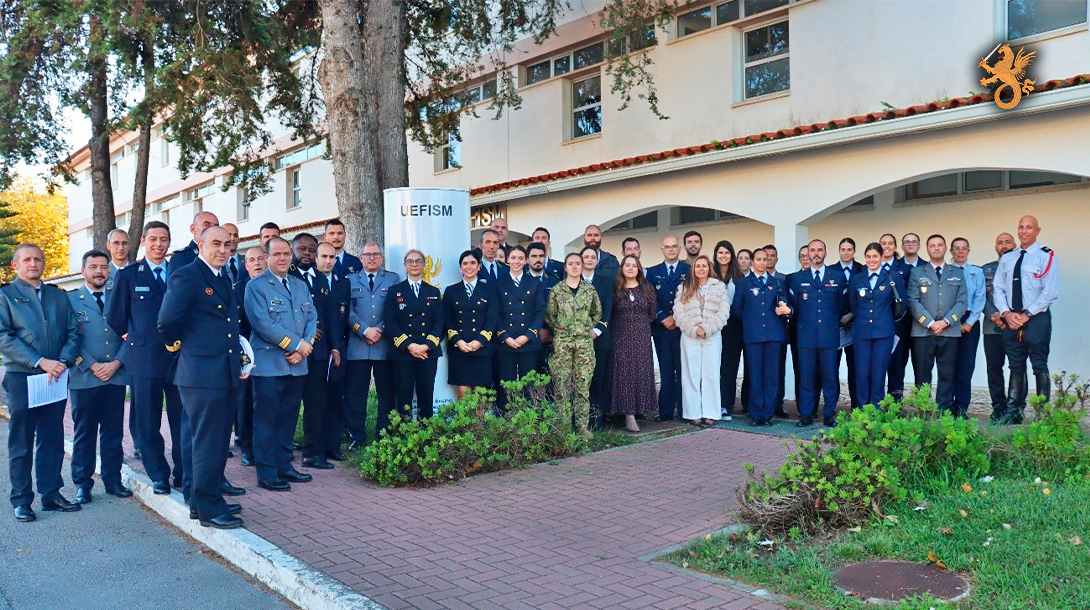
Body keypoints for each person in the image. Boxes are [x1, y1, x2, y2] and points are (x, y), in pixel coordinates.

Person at [157, 226, 247, 529]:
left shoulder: (222, 277)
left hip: (222, 371)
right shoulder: (188, 275)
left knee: (217, 441)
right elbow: (167, 321)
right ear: (201, 245)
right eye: (216, 244)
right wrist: (181, 347)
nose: (223, 249)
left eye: (227, 244)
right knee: (207, 442)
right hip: (200, 373)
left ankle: (203, 501)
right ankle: (209, 509)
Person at [1, 244, 81, 522]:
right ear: (15, 265)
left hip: (55, 375)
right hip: (23, 376)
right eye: (27, 259)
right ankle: (22, 499)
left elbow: (73, 331)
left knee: (52, 437)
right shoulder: (5, 296)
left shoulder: (57, 295)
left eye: (38, 258)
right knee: (21, 441)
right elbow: (3, 337)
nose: (33, 263)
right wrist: (40, 361)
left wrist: (63, 361)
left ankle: (51, 494)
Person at [107, 221, 184, 495]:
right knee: (148, 421)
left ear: (169, 242)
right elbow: (115, 316)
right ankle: (158, 474)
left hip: (178, 358)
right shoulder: (129, 275)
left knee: (181, 419)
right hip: (144, 359)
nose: (158, 244)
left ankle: (183, 472)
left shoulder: (180, 274)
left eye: (164, 239)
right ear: (143, 241)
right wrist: (132, 336)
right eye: (153, 239)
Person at [245, 236, 317, 492]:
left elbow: (312, 318)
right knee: (266, 421)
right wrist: (296, 345)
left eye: (286, 253)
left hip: (296, 365)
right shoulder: (256, 286)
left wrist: (304, 347)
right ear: (267, 258)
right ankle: (266, 472)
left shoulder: (300, 285)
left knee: (288, 418)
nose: (283, 258)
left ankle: (284, 465)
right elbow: (262, 323)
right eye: (277, 254)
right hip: (269, 365)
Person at [68, 251, 132, 504]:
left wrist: (117, 363)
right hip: (85, 377)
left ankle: (113, 480)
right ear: (83, 270)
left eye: (104, 267)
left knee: (113, 432)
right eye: (93, 267)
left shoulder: (120, 297)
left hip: (115, 376)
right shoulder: (71, 300)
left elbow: (133, 332)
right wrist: (92, 365)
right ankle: (82, 484)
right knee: (85, 434)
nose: (99, 272)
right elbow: (68, 338)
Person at [993, 215, 1060, 424]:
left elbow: (1050, 292)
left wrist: (1027, 315)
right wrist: (1006, 313)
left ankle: (1042, 412)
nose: (1024, 231)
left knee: (1039, 364)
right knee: (1015, 364)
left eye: (1029, 227)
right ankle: (1013, 411)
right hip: (1011, 318)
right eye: (1021, 227)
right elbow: (998, 288)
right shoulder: (1008, 257)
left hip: (1036, 318)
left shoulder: (1045, 256)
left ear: (1037, 231)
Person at [289, 233, 341, 470]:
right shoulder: (287, 276)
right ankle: (284, 454)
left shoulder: (320, 278)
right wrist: (305, 335)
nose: (307, 254)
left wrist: (334, 346)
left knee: (316, 404)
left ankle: (312, 453)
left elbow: (330, 315)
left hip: (318, 354)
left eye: (311, 250)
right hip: (293, 352)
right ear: (293, 250)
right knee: (290, 405)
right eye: (303, 249)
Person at [787, 240, 849, 427]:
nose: (816, 253)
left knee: (830, 378)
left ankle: (829, 414)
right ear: (807, 254)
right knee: (806, 378)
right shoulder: (797, 279)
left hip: (829, 336)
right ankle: (806, 414)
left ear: (825, 253)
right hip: (805, 337)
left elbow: (842, 305)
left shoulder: (837, 277)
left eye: (820, 250)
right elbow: (794, 307)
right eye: (812, 250)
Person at [346, 243, 400, 446]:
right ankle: (357, 436)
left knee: (386, 393)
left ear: (381, 258)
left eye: (375, 254)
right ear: (360, 258)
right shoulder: (349, 280)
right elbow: (347, 311)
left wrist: (379, 329)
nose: (371, 258)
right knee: (356, 394)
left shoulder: (392, 279)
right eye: (367, 254)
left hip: (383, 345)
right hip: (357, 346)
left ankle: (383, 434)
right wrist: (363, 330)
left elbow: (395, 309)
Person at [907, 234, 968, 414]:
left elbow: (962, 302)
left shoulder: (957, 273)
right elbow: (913, 301)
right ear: (927, 249)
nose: (936, 248)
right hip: (923, 332)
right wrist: (931, 323)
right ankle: (924, 410)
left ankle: (944, 410)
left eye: (940, 245)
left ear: (945, 248)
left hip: (950, 331)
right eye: (932, 245)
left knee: (947, 373)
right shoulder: (917, 272)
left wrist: (946, 321)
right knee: (922, 374)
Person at [731, 248, 791, 426]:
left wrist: (785, 310)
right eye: (759, 259)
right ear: (752, 261)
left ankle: (768, 414)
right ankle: (756, 414)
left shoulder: (777, 282)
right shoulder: (744, 283)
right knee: (755, 376)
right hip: (753, 336)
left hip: (774, 335)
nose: (762, 262)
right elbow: (736, 308)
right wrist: (751, 321)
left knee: (771, 376)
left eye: (765, 259)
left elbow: (785, 304)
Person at [545, 253, 601, 438]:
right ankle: (563, 427)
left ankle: (582, 426)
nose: (575, 266)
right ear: (565, 267)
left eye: (578, 263)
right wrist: (564, 329)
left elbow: (596, 313)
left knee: (583, 385)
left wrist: (583, 327)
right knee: (562, 385)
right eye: (571, 264)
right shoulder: (557, 290)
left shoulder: (589, 289)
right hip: (563, 343)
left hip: (584, 344)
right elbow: (550, 315)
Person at [385, 249, 444, 420]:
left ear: (424, 265)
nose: (414, 264)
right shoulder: (394, 291)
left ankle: (426, 432)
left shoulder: (433, 292)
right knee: (403, 398)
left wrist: (425, 346)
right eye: (410, 261)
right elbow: (390, 322)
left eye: (418, 261)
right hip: (403, 353)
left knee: (426, 397)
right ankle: (404, 433)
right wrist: (410, 346)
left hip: (428, 353)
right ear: (405, 266)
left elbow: (439, 322)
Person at [673, 255, 730, 427]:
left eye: (704, 266)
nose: (701, 269)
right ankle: (693, 413)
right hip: (690, 336)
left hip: (712, 336)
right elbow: (678, 312)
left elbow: (724, 311)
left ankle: (711, 412)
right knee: (691, 374)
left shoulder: (719, 287)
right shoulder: (684, 287)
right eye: (697, 266)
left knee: (711, 374)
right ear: (693, 269)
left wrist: (707, 328)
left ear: (709, 268)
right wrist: (694, 329)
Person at [609, 255, 658, 432]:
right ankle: (628, 415)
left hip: (642, 338)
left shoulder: (647, 289)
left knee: (640, 373)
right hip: (621, 337)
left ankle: (639, 410)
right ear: (622, 268)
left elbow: (652, 313)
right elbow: (610, 313)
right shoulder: (616, 289)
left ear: (639, 269)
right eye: (627, 265)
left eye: (634, 265)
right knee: (624, 375)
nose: (630, 268)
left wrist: (639, 326)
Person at [848, 243, 899, 407]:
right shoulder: (856, 279)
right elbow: (854, 305)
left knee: (878, 373)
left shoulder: (892, 277)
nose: (872, 260)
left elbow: (902, 304)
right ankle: (862, 410)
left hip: (884, 332)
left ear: (882, 257)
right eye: (868, 257)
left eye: (875, 256)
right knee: (861, 373)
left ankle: (876, 410)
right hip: (862, 332)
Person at [495, 246, 546, 406]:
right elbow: (495, 313)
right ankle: (505, 416)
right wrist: (505, 337)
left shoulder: (535, 283)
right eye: (513, 258)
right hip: (506, 341)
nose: (516, 261)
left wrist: (528, 335)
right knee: (506, 385)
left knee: (528, 385)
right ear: (507, 260)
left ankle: (528, 417)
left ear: (526, 261)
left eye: (520, 258)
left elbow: (540, 311)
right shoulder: (498, 283)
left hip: (528, 341)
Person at [645, 236, 689, 421]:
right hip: (662, 329)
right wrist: (663, 317)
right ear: (662, 249)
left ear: (680, 249)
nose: (671, 249)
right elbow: (649, 298)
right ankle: (666, 411)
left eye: (674, 246)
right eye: (667, 247)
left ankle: (685, 410)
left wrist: (678, 318)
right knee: (666, 370)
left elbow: (692, 296)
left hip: (683, 329)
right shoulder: (652, 272)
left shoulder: (689, 270)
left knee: (683, 370)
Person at [443, 250, 497, 398]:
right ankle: (466, 417)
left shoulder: (490, 289)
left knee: (481, 393)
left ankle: (479, 416)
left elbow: (492, 319)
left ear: (479, 266)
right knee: (463, 392)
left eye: (473, 263)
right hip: (460, 349)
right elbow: (447, 320)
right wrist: (458, 341)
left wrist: (479, 341)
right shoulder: (451, 291)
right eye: (465, 263)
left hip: (482, 348)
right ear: (460, 267)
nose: (469, 267)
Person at [316, 241, 351, 461]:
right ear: (316, 258)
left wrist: (337, 346)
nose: (328, 261)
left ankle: (333, 447)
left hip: (339, 346)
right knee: (317, 400)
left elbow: (343, 318)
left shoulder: (343, 283)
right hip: (316, 348)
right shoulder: (309, 281)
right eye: (324, 257)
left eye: (332, 257)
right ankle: (316, 447)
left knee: (336, 398)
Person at [234, 246, 267, 466]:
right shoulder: (238, 290)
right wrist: (244, 360)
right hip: (248, 352)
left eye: (260, 259)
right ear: (245, 266)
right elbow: (237, 329)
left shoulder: (275, 286)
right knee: (246, 402)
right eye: (251, 260)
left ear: (267, 260)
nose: (256, 263)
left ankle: (267, 445)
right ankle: (247, 447)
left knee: (269, 402)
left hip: (274, 353)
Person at [982, 233, 1020, 422]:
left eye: (1008, 242)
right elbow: (980, 297)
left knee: (1017, 367)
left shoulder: (1022, 267)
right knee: (994, 368)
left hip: (1017, 326)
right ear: (995, 247)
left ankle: (1016, 408)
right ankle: (998, 407)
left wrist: (1011, 317)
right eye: (1000, 242)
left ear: (1015, 245)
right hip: (992, 328)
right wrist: (994, 315)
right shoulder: (985, 270)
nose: (1004, 245)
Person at [949, 237, 985, 417]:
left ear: (968, 251)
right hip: (949, 321)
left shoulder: (976, 272)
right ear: (951, 251)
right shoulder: (945, 271)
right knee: (948, 365)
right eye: (957, 248)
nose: (960, 251)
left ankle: (962, 407)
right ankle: (947, 406)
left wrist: (969, 322)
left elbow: (980, 298)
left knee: (965, 365)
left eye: (964, 248)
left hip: (970, 320)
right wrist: (951, 322)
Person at [888, 232, 924, 400]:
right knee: (896, 363)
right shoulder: (893, 267)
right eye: (907, 242)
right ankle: (895, 402)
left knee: (921, 365)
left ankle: (922, 403)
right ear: (901, 246)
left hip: (922, 323)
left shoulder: (927, 266)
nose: (910, 244)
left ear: (919, 245)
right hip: (899, 323)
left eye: (914, 241)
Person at [581, 245, 614, 428]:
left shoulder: (605, 282)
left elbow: (607, 309)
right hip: (577, 340)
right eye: (586, 257)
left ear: (597, 261)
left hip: (599, 339)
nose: (589, 260)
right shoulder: (572, 281)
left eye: (593, 257)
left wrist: (596, 331)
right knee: (580, 382)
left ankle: (596, 421)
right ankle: (580, 421)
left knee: (598, 381)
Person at [712, 241, 743, 420]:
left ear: (732, 256)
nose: (723, 256)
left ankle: (726, 404)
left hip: (733, 327)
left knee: (729, 368)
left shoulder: (739, 277)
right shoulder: (709, 275)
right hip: (713, 326)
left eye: (727, 253)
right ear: (716, 255)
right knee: (712, 367)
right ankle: (711, 403)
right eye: (720, 253)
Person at [833, 237, 864, 409]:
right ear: (839, 251)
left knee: (856, 368)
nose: (846, 253)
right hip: (835, 326)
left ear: (854, 251)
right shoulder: (830, 270)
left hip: (856, 325)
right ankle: (832, 406)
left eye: (849, 249)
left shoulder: (862, 269)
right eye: (843, 250)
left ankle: (856, 406)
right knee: (832, 368)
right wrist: (839, 318)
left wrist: (852, 315)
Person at [527, 242, 560, 373]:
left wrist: (549, 332)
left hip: (548, 338)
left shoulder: (554, 281)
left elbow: (558, 310)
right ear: (527, 259)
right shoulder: (521, 280)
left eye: (541, 256)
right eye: (534, 256)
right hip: (525, 336)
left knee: (546, 376)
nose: (538, 259)